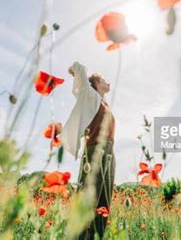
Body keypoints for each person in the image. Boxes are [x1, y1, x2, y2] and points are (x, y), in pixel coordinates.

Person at [60, 61, 116, 240]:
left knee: (104, 197)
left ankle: (96, 236)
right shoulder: (89, 95)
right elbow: (80, 69)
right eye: (104, 80)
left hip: (109, 150)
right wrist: (74, 70)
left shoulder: (104, 103)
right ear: (97, 83)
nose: (109, 82)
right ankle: (79, 236)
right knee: (88, 194)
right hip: (94, 150)